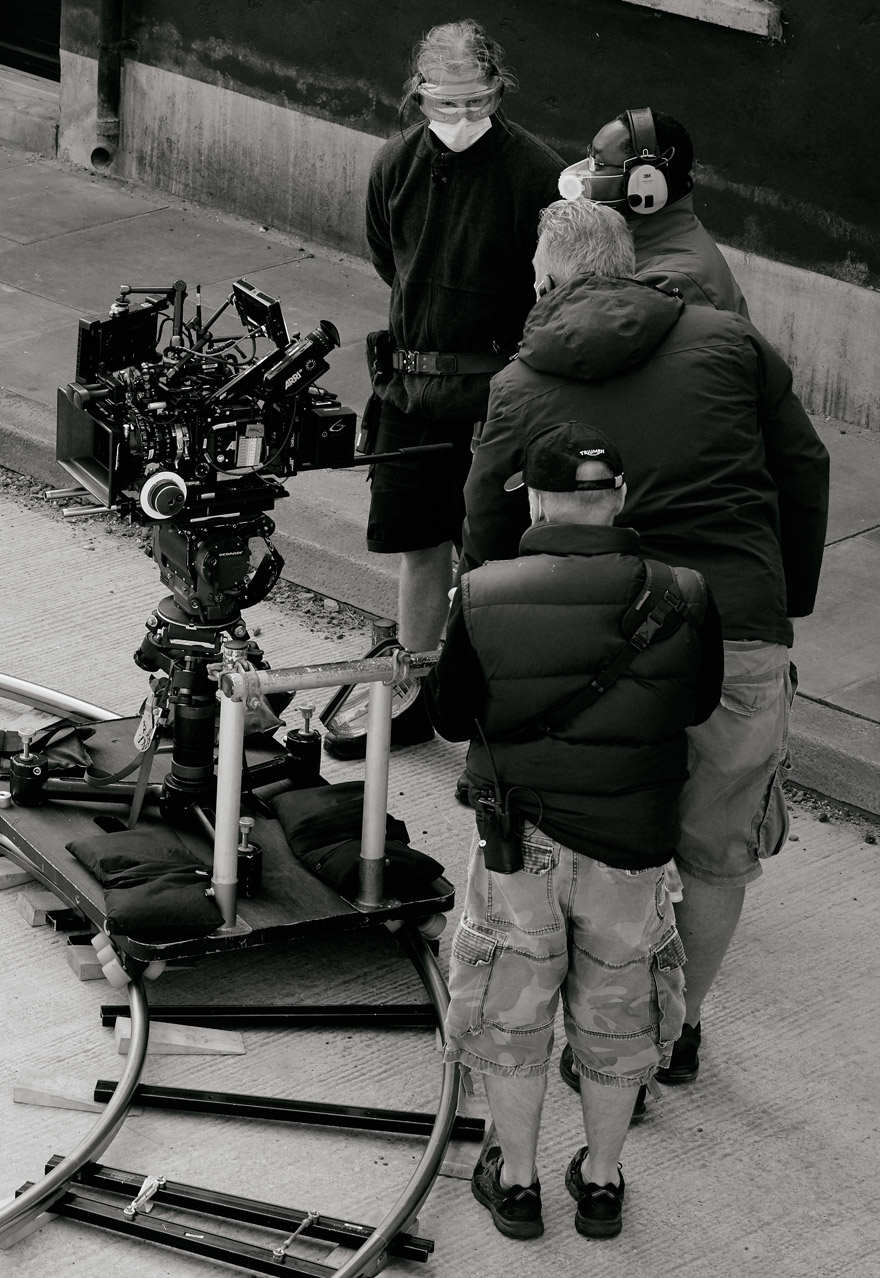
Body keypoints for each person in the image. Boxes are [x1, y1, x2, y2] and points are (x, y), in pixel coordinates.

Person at [462, 200, 830, 1091]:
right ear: (631, 265)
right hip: (736, 627)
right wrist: (780, 599)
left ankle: (595, 1041)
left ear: (545, 280)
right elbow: (805, 466)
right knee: (718, 847)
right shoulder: (731, 342)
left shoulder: (519, 384)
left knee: (591, 843)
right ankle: (676, 1032)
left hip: (591, 637)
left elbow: (485, 521)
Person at [430, 422, 721, 1241]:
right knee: (617, 1017)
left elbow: (449, 716)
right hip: (631, 847)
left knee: (512, 1011)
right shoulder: (685, 593)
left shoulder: (482, 593)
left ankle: (517, 1183)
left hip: (519, 844)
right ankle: (600, 1184)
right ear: (618, 497)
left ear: (534, 499)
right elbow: (697, 704)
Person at [351, 18, 562, 758]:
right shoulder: (395, 164)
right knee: (418, 546)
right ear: (418, 95)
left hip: (494, 397)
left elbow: (552, 290)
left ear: (499, 90)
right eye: (446, 103)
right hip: (410, 390)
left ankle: (490, 706)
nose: (463, 117)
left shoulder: (536, 174)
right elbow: (389, 259)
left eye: (476, 102)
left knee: (493, 559)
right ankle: (418, 689)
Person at [558, 108, 748, 314]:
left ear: (644, 183)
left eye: (598, 163)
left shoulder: (670, 283)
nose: (581, 174)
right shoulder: (640, 241)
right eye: (590, 156)